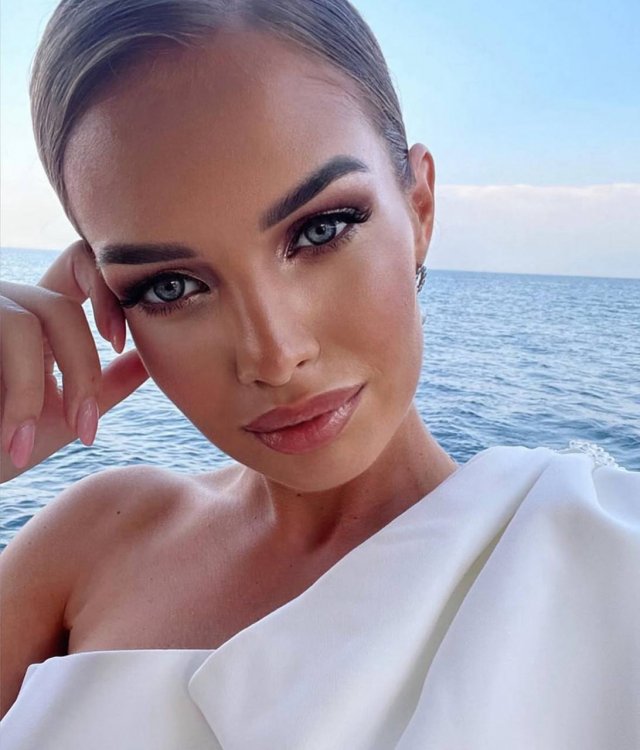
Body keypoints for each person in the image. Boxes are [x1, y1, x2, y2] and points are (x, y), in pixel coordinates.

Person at [0, 1, 638, 748]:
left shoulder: (605, 558)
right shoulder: (88, 543)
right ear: (113, 299)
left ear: (419, 207)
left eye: (321, 229)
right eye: (170, 286)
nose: (274, 357)